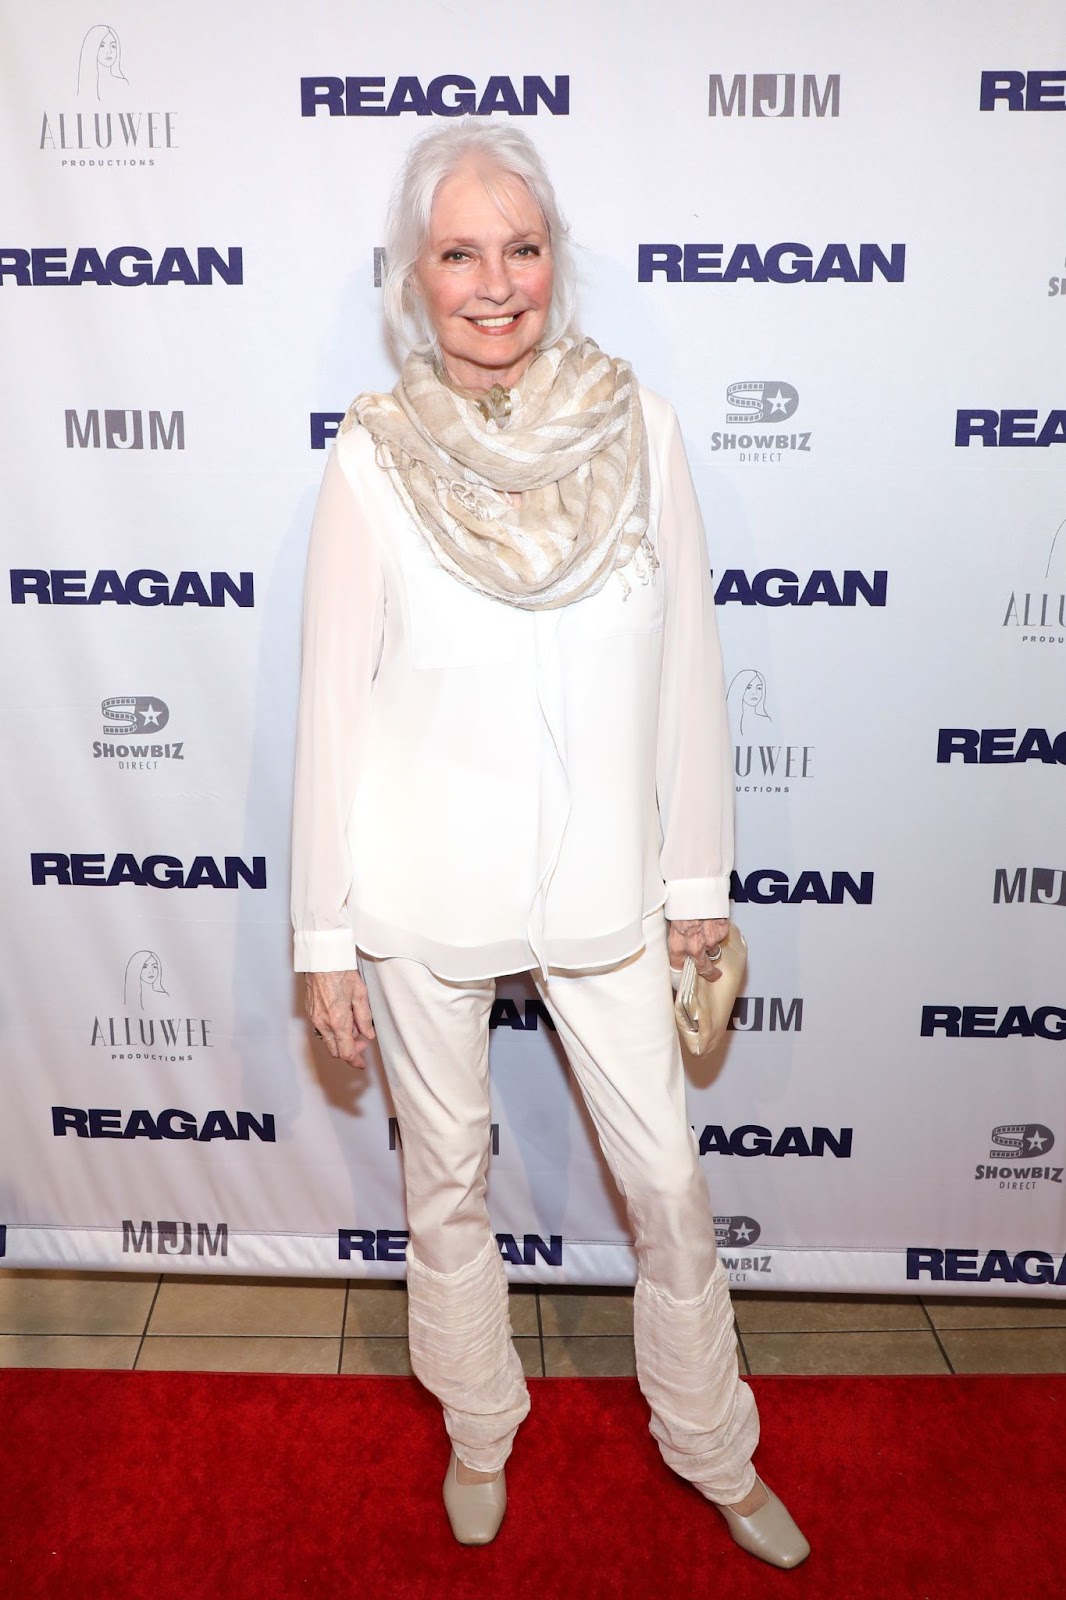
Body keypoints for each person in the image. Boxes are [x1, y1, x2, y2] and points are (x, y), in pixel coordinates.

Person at [290, 119, 809, 1570]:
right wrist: (320, 933)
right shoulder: (372, 458)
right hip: (415, 883)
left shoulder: (639, 430)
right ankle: (476, 1426)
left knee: (665, 1183)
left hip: (605, 886)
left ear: (556, 263)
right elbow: (333, 702)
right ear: (415, 277)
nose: (495, 282)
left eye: (521, 248)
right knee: (442, 1177)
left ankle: (712, 1444)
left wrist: (694, 880)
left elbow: (688, 663)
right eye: (461, 252)